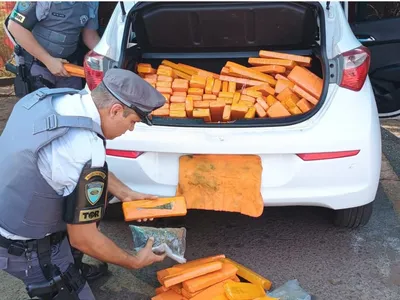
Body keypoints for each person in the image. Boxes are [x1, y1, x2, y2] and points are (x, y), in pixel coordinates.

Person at [0, 68, 167, 300]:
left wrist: (125, 193)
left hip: (12, 210)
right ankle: (59, 276)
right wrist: (135, 261)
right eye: (133, 122)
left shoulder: (49, 98)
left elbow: (77, 169)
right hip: (26, 249)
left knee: (91, 203)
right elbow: (83, 238)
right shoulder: (83, 146)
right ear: (116, 110)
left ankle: (73, 267)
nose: (130, 129)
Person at [7, 1, 101, 91]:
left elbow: (90, 36)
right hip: (39, 66)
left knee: (73, 104)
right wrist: (48, 60)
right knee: (42, 105)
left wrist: (110, 56)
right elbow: (15, 26)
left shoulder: (91, 2)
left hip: (69, 68)